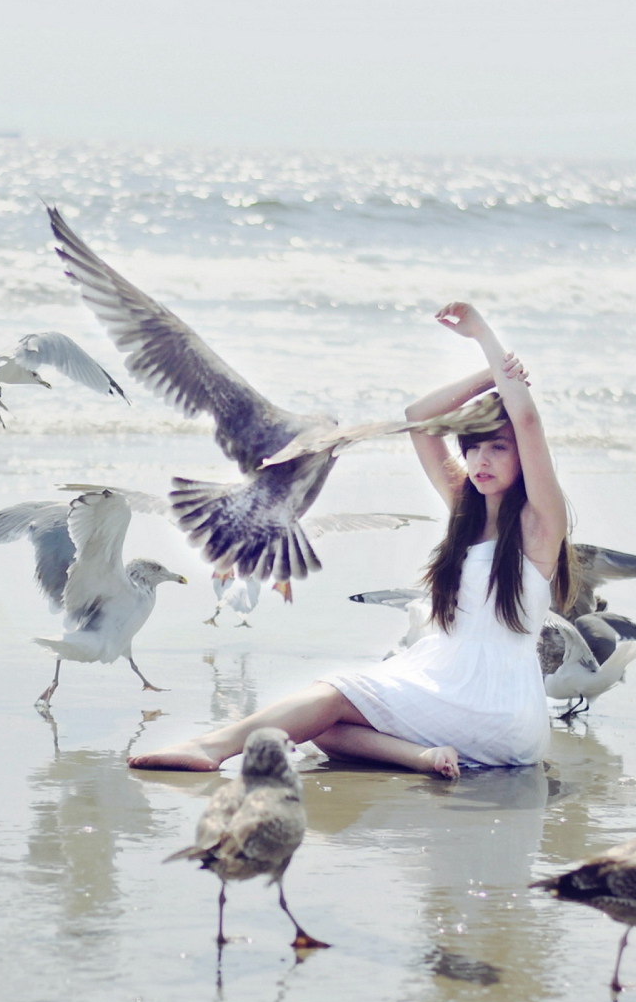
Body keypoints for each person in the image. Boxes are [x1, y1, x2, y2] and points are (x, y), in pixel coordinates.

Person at [128, 302, 571, 777]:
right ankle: (421, 757)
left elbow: (526, 422)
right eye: (473, 447)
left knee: (329, 699)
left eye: (497, 448)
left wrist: (484, 335)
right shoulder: (465, 510)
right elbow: (418, 416)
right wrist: (488, 377)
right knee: (318, 722)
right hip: (445, 682)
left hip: (494, 707)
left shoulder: (539, 525)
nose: (481, 460)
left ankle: (212, 747)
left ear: (522, 458)